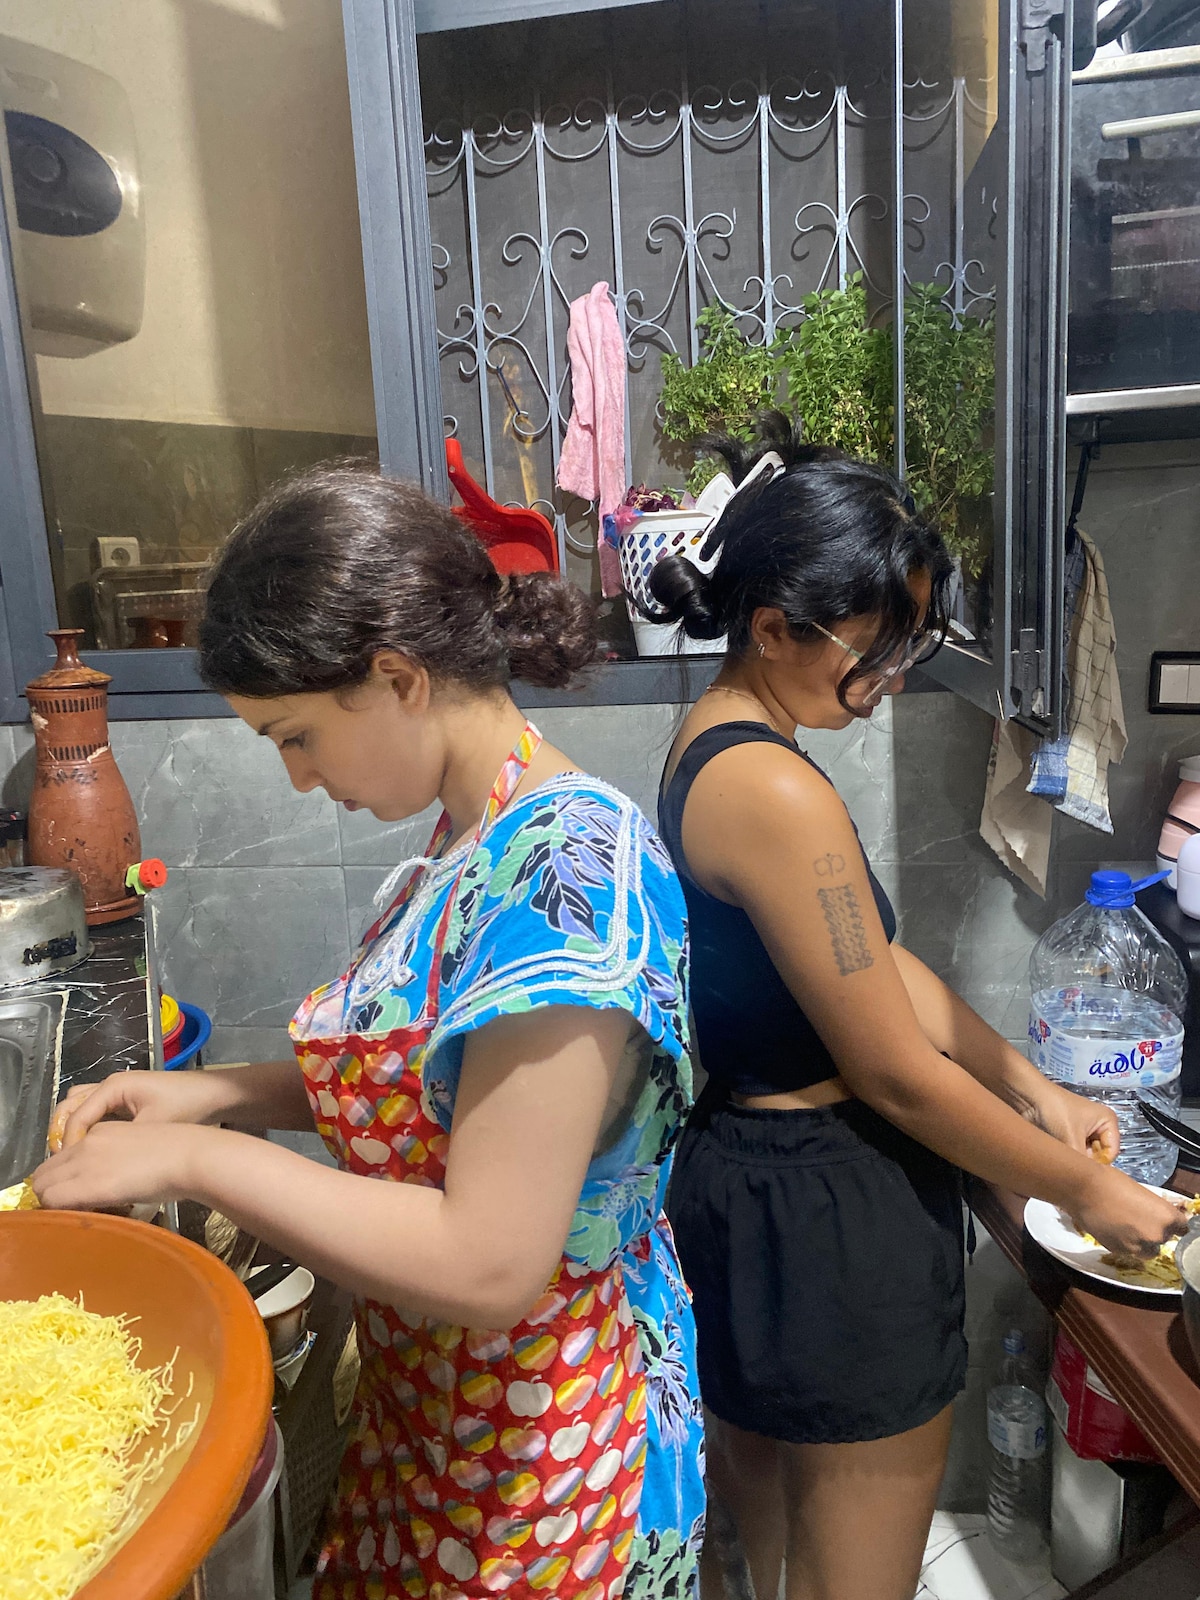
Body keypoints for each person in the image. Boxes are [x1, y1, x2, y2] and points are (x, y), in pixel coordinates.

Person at [34, 465, 706, 1600]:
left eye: (295, 737)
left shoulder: (566, 880)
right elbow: (438, 1088)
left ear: (398, 677)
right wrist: (217, 1094)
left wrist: (203, 1158)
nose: (299, 780)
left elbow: (490, 1257)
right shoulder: (466, 835)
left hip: (555, 1463)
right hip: (441, 1424)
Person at [648, 418, 1186, 1600]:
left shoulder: (718, 741)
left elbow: (880, 966)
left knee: (769, 1551)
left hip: (757, 1185)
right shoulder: (775, 789)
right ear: (776, 626)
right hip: (828, 1211)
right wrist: (1093, 1190)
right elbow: (893, 1070)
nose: (892, 685)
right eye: (875, 654)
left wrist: (1034, 1088)